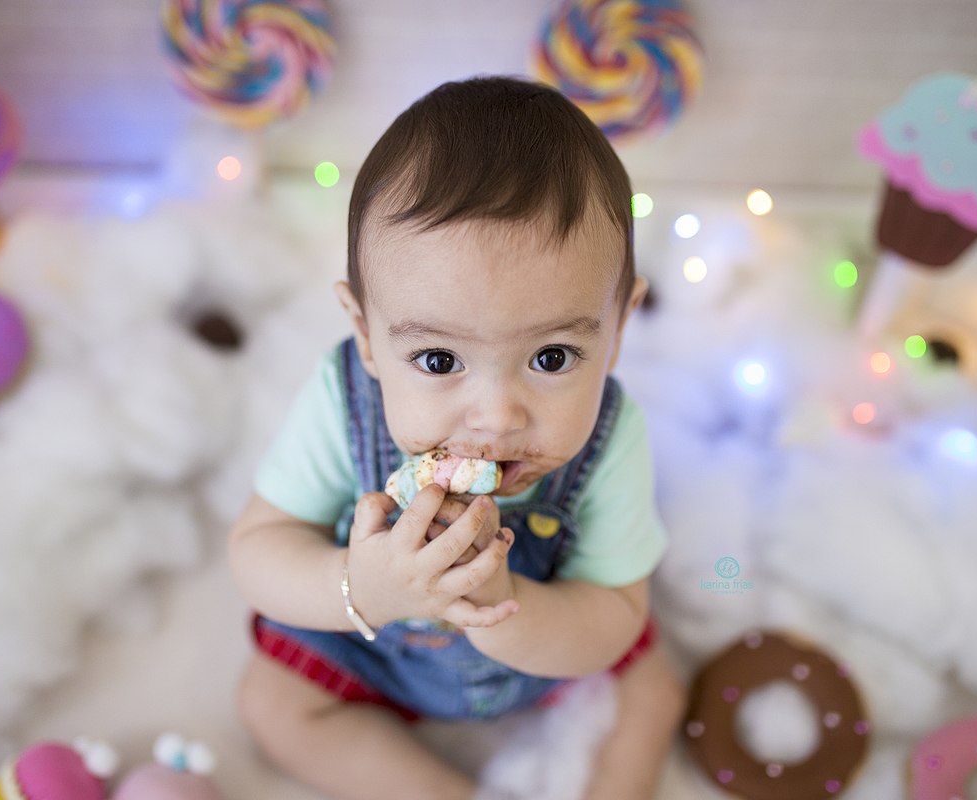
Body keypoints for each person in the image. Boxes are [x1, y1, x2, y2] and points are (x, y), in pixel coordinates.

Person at [229, 75, 685, 800]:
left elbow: (613, 614)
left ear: (620, 327)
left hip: (543, 641)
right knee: (270, 704)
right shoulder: (341, 400)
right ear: (367, 336)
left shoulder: (611, 436)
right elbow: (258, 549)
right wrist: (362, 587)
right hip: (371, 648)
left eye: (552, 358)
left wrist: (504, 608)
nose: (497, 417)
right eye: (439, 361)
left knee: (654, 686)